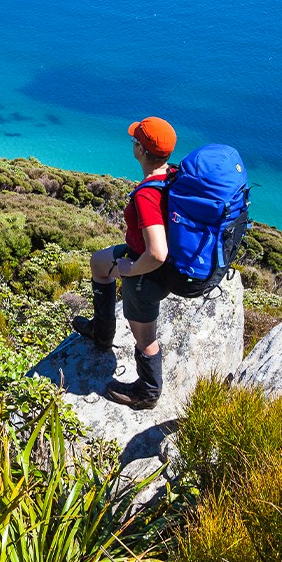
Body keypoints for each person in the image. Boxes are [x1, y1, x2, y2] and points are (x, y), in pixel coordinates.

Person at [70, 115, 182, 410]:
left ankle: (147, 392)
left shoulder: (148, 195)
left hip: (147, 269)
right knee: (98, 262)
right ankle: (102, 332)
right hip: (136, 252)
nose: (133, 144)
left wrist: (132, 269)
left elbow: (156, 252)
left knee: (144, 337)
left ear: (142, 151)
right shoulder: (171, 175)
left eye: (136, 141)